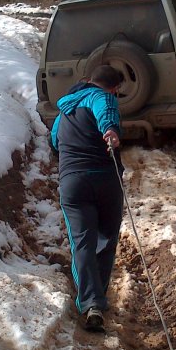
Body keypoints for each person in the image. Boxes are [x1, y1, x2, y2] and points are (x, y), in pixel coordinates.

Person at [50, 65, 125, 332]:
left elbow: (55, 142)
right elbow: (105, 111)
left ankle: (92, 303)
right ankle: (98, 298)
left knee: (82, 242)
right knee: (105, 239)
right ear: (114, 88)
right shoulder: (102, 96)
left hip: (73, 184)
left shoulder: (64, 110)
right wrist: (110, 131)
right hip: (105, 180)